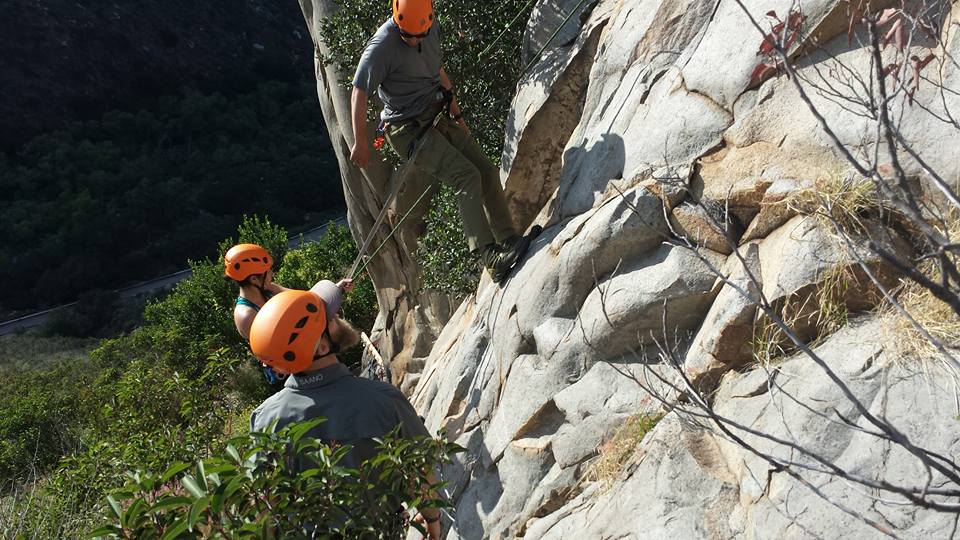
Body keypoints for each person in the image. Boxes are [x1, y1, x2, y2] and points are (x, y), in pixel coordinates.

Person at [349, 0, 533, 283]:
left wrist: (457, 115)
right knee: (465, 176)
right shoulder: (381, 46)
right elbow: (359, 90)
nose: (412, 41)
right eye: (406, 35)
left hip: (437, 111)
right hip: (407, 129)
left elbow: (437, 72)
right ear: (396, 21)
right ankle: (490, 258)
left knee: (485, 170)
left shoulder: (427, 26)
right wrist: (360, 142)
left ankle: (508, 240)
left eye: (417, 35)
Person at [248, 288, 442, 539]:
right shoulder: (384, 399)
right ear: (321, 346)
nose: (338, 316)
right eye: (330, 318)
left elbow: (264, 508)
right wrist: (433, 521)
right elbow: (420, 470)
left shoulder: (265, 420)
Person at [223, 244, 357, 380]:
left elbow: (306, 300)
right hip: (290, 366)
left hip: (306, 351)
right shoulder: (246, 315)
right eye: (267, 272)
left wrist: (336, 289)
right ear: (254, 279)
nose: (271, 274)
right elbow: (276, 347)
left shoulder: (270, 289)